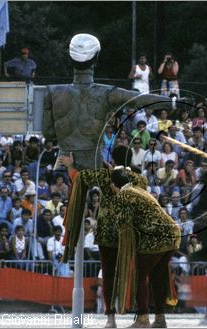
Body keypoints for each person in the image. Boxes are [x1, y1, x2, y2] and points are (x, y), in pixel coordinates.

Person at [43, 33, 175, 171]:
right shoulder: (106, 93)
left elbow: (48, 133)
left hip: (62, 167)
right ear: (96, 60)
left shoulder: (52, 92)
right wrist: (172, 102)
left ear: (71, 59)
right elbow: (139, 99)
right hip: (93, 166)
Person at [60, 145, 147, 328]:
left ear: (113, 160)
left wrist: (70, 165)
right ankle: (142, 315)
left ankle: (110, 318)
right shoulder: (140, 179)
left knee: (108, 276)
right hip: (130, 233)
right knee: (136, 274)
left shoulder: (103, 175)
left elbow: (79, 178)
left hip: (107, 232)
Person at [110, 168, 180, 328]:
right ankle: (160, 318)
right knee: (158, 274)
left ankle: (143, 318)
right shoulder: (139, 190)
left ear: (114, 185)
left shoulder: (123, 194)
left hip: (155, 237)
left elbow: (123, 223)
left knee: (139, 276)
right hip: (172, 232)